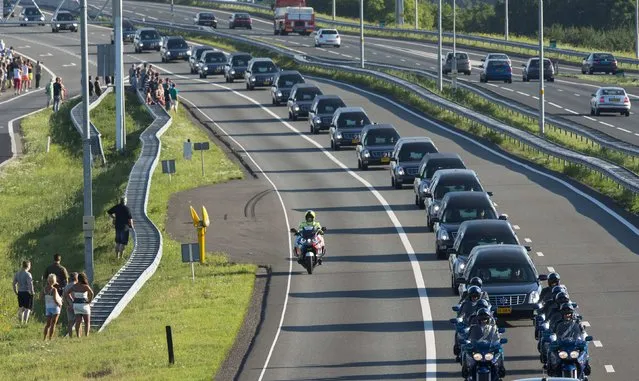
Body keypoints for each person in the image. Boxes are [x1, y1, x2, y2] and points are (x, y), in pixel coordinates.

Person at [547, 303, 590, 376]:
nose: (567, 315)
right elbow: (553, 333)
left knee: (584, 349)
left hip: (574, 343)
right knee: (550, 349)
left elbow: (582, 333)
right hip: (562, 344)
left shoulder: (577, 322)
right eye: (565, 313)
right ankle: (550, 367)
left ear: (572, 314)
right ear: (562, 314)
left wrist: (585, 341)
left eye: (569, 313)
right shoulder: (558, 323)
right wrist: (552, 340)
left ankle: (586, 365)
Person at [462, 308, 506, 378]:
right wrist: (467, 342)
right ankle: (466, 370)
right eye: (482, 320)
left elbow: (497, 339)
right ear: (478, 320)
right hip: (477, 350)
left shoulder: (493, 328)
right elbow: (469, 338)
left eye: (485, 319)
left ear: (488, 319)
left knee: (500, 351)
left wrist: (498, 342)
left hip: (489, 350)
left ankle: (501, 368)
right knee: (466, 352)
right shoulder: (474, 328)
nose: (483, 321)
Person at [64, 272, 94, 337]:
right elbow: (91, 293)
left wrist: (72, 300)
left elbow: (66, 293)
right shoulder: (85, 286)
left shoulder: (74, 286)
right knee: (87, 322)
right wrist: (89, 301)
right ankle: (86, 335)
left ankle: (78, 336)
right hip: (84, 305)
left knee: (78, 321)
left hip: (76, 305)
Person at [42, 274, 62, 340]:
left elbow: (40, 297)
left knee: (47, 324)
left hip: (48, 308)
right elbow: (55, 299)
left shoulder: (44, 289)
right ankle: (50, 338)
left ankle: (44, 338)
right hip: (55, 308)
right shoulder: (54, 290)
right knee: (53, 324)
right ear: (54, 281)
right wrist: (60, 304)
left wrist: (46, 300)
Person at [63, 272, 78, 337]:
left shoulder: (66, 286)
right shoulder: (77, 285)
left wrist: (67, 305)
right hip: (76, 305)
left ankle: (70, 336)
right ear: (76, 278)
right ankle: (78, 335)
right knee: (78, 321)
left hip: (69, 305)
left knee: (70, 322)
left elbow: (64, 297)